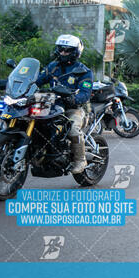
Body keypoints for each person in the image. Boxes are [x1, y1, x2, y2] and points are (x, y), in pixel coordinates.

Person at [36, 34, 93, 174]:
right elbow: (38, 80)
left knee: (72, 128)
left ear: (76, 52)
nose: (63, 53)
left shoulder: (84, 71)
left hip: (74, 109)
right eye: (61, 49)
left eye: (67, 50)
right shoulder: (52, 67)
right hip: (50, 106)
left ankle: (80, 160)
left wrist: (74, 99)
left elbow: (85, 93)